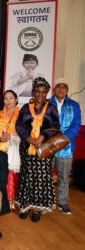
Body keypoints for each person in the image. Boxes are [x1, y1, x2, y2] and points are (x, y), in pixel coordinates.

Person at [16, 77, 60, 222]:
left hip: (44, 149)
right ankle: (25, 206)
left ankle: (37, 209)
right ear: (33, 92)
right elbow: (19, 126)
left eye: (44, 92)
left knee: (40, 179)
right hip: (27, 148)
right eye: (38, 92)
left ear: (46, 93)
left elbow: (55, 127)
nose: (40, 95)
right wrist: (29, 139)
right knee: (27, 177)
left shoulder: (51, 108)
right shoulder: (25, 108)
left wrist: (42, 136)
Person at [50, 78, 81, 215]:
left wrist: (63, 139)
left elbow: (76, 125)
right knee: (45, 176)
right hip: (49, 146)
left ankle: (62, 202)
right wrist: (51, 139)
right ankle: (46, 200)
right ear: (54, 89)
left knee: (63, 177)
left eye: (64, 87)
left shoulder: (74, 105)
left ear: (67, 90)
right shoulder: (47, 103)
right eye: (58, 87)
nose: (61, 89)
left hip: (66, 147)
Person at [0, 90, 20, 209]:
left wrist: (11, 136)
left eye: (11, 98)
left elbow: (25, 131)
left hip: (13, 148)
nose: (8, 101)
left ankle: (10, 201)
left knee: (11, 176)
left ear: (16, 100)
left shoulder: (21, 114)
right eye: (6, 98)